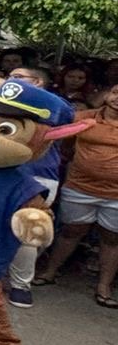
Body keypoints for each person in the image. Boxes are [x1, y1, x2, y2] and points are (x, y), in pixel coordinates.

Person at [34, 82, 118, 308]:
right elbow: (66, 144)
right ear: (107, 94)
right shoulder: (83, 117)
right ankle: (50, 272)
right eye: (116, 92)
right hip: (79, 187)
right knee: (71, 231)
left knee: (111, 238)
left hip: (116, 195)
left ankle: (104, 286)